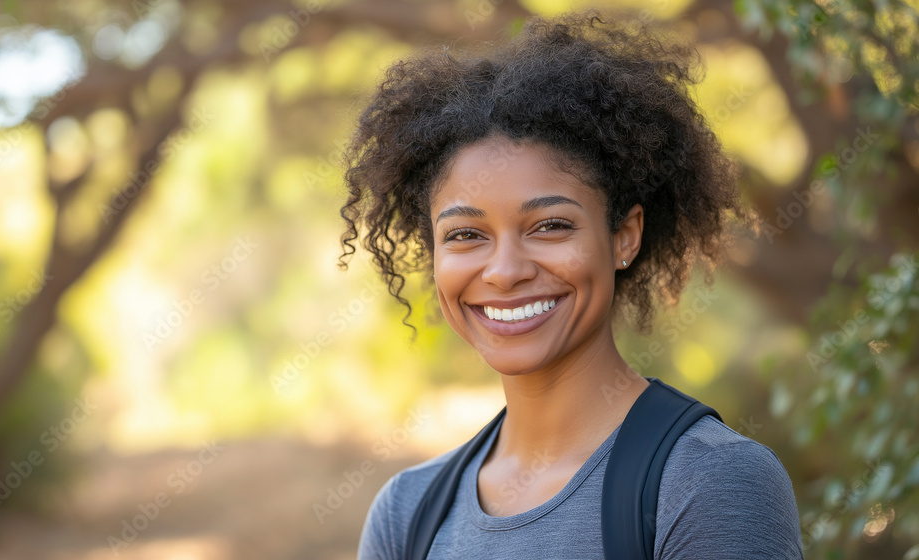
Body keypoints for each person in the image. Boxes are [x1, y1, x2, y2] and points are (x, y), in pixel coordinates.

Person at [337, 11, 804, 560]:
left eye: (550, 226)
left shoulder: (706, 482)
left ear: (625, 236)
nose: (505, 270)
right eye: (466, 234)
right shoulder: (406, 514)